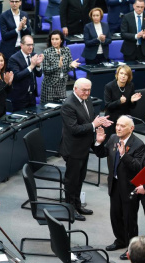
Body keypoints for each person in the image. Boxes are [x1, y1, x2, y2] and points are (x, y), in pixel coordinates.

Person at [59, 78, 113, 221]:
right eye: (84, 90)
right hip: (73, 149)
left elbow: (88, 119)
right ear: (75, 88)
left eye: (89, 90)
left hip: (83, 147)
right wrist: (94, 125)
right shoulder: (68, 105)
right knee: (71, 181)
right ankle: (70, 209)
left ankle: (77, 205)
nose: (87, 93)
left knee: (80, 178)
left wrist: (100, 121)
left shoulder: (87, 100)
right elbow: (74, 129)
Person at [93, 116, 145, 260]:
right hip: (115, 184)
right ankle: (120, 240)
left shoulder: (139, 145)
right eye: (117, 125)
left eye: (123, 126)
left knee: (129, 218)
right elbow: (102, 154)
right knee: (115, 215)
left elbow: (138, 168)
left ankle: (132, 248)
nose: (118, 128)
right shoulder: (113, 139)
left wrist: (124, 155)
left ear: (131, 128)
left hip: (130, 188)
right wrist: (98, 142)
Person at [41, 30, 79, 103]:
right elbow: (45, 70)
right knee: (49, 109)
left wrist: (71, 66)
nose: (54, 41)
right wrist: (57, 66)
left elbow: (66, 69)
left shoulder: (66, 50)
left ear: (61, 40)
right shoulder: (47, 52)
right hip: (50, 86)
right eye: (52, 39)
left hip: (62, 85)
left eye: (57, 39)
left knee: (61, 108)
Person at [103, 65, 142, 137]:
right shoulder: (109, 86)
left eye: (126, 74)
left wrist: (132, 101)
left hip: (125, 117)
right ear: (117, 74)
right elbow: (107, 106)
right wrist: (119, 101)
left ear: (129, 77)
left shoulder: (130, 85)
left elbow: (131, 107)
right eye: (121, 73)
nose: (123, 76)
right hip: (112, 117)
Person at [8, 35, 43, 111]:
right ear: (21, 45)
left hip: (31, 96)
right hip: (20, 97)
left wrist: (38, 65)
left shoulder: (33, 55)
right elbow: (17, 76)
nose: (31, 47)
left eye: (32, 45)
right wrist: (31, 66)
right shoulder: (14, 59)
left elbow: (39, 75)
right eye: (28, 45)